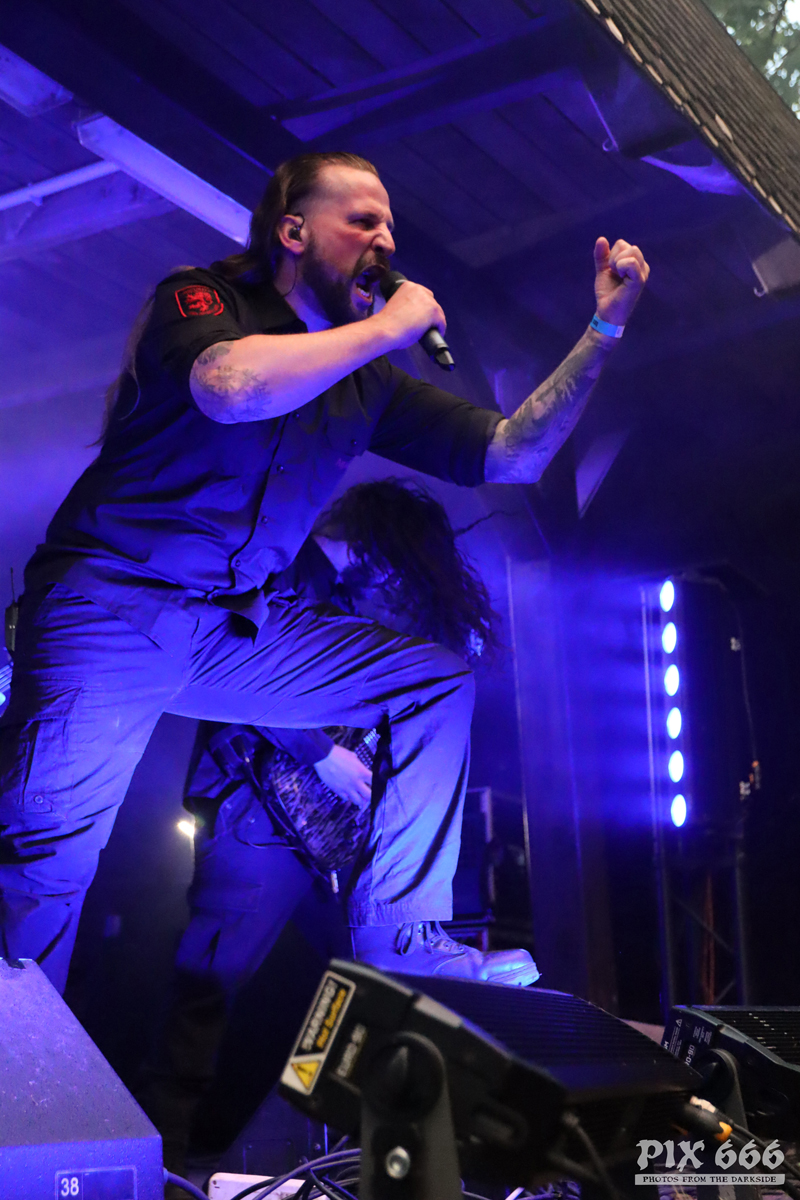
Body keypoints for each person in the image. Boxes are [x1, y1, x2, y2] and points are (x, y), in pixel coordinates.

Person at [0, 149, 649, 995]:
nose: (386, 240)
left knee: (433, 683)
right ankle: (22, 1058)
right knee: (42, 875)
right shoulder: (202, 300)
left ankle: (402, 941)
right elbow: (230, 388)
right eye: (363, 220)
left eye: (390, 226)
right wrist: (387, 330)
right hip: (110, 610)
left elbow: (513, 454)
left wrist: (604, 330)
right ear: (294, 231)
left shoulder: (365, 384)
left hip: (226, 629)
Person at [141, 478, 507, 1173]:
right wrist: (323, 756)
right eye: (398, 562)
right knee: (205, 996)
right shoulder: (281, 562)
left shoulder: (344, 592)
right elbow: (227, 672)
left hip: (317, 845)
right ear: (381, 543)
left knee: (374, 984)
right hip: (255, 823)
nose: (397, 580)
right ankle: (158, 1169)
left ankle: (348, 1150)